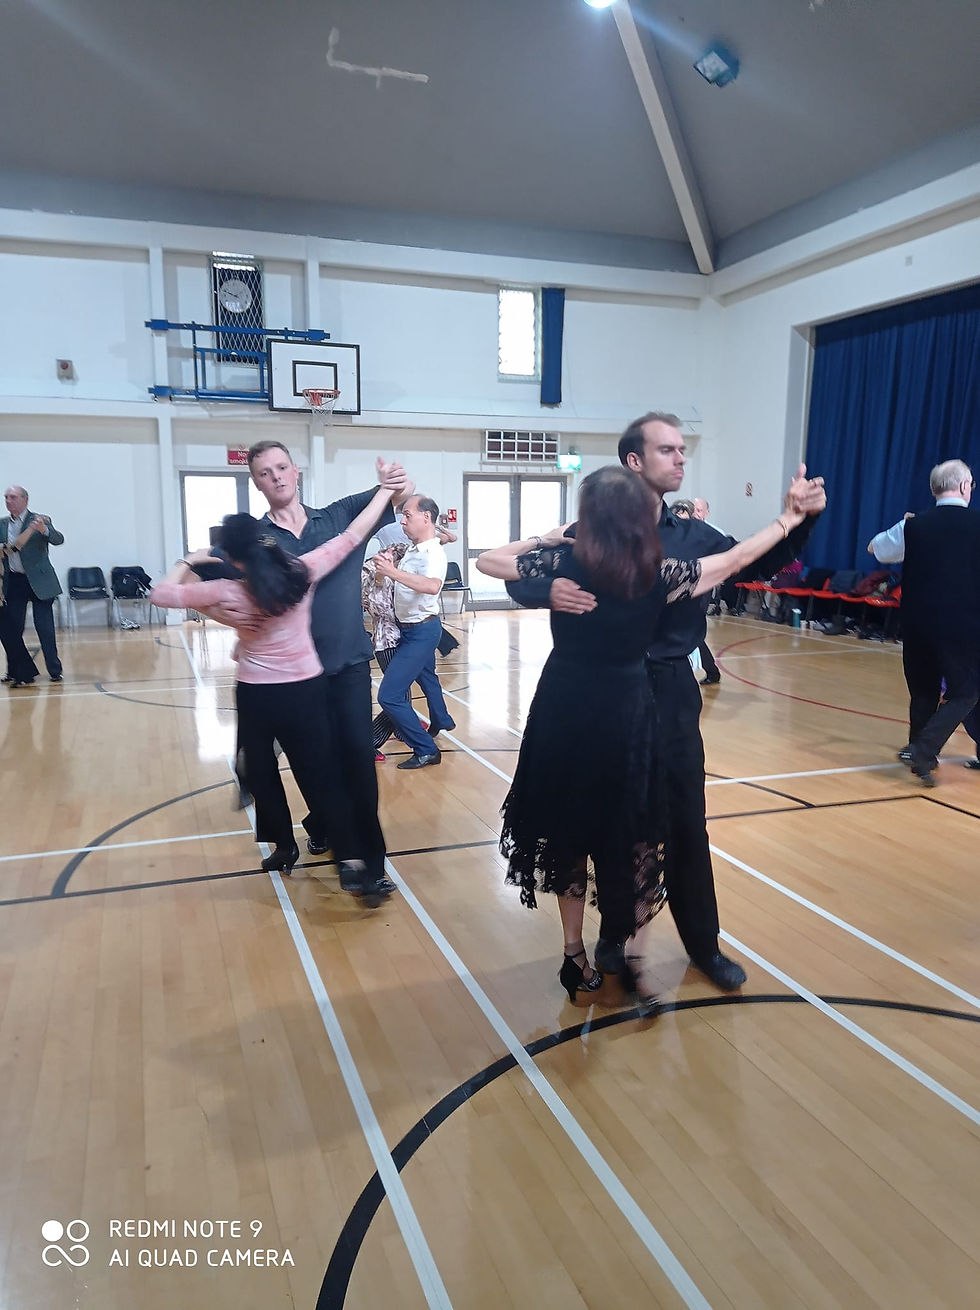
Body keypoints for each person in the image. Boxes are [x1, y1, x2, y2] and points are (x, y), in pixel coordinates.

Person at [506, 412, 826, 992]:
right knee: (603, 819)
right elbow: (518, 569)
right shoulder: (588, 534)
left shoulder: (692, 538)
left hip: (666, 694)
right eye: (668, 450)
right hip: (599, 696)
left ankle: (703, 945)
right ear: (634, 463)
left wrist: (798, 522)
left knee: (683, 821)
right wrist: (543, 585)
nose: (681, 459)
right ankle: (611, 937)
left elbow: (750, 564)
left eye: (684, 450)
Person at [149, 469, 399, 905]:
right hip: (304, 690)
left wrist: (191, 559)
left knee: (260, 773)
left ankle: (283, 843)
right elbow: (353, 535)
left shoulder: (225, 590)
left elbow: (162, 595)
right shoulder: (301, 572)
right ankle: (352, 863)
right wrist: (385, 492)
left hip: (256, 694)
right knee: (322, 777)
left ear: (234, 558)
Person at [247, 441, 404, 892]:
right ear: (255, 482)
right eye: (264, 472)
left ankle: (370, 864)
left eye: (281, 467)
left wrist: (395, 479)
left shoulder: (337, 515)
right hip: (294, 676)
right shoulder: (259, 542)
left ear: (296, 471)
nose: (275, 476)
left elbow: (392, 496)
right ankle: (339, 842)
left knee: (357, 758)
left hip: (349, 664)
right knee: (316, 766)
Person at [897, 460, 980, 786]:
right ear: (963, 487)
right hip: (961, 625)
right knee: (966, 691)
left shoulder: (913, 525)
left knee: (923, 693)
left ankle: (922, 761)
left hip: (916, 623)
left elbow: (878, 548)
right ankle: (922, 748)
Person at [374, 495, 455, 769]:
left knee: (389, 695)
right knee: (427, 678)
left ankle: (426, 749)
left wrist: (392, 572)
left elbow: (432, 585)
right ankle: (441, 719)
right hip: (408, 629)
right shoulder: (414, 548)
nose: (403, 521)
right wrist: (383, 570)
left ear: (426, 518)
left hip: (422, 632)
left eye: (408, 515)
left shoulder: (433, 553)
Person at [1, 486, 64, 685]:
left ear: (25, 500)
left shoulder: (41, 519)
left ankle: (55, 670)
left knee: (44, 628)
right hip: (14, 581)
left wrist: (44, 530)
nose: (8, 500)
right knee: (13, 629)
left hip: (40, 581)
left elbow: (58, 539)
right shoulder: (2, 524)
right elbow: (8, 550)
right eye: (6, 497)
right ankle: (14, 671)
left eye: (13, 497)